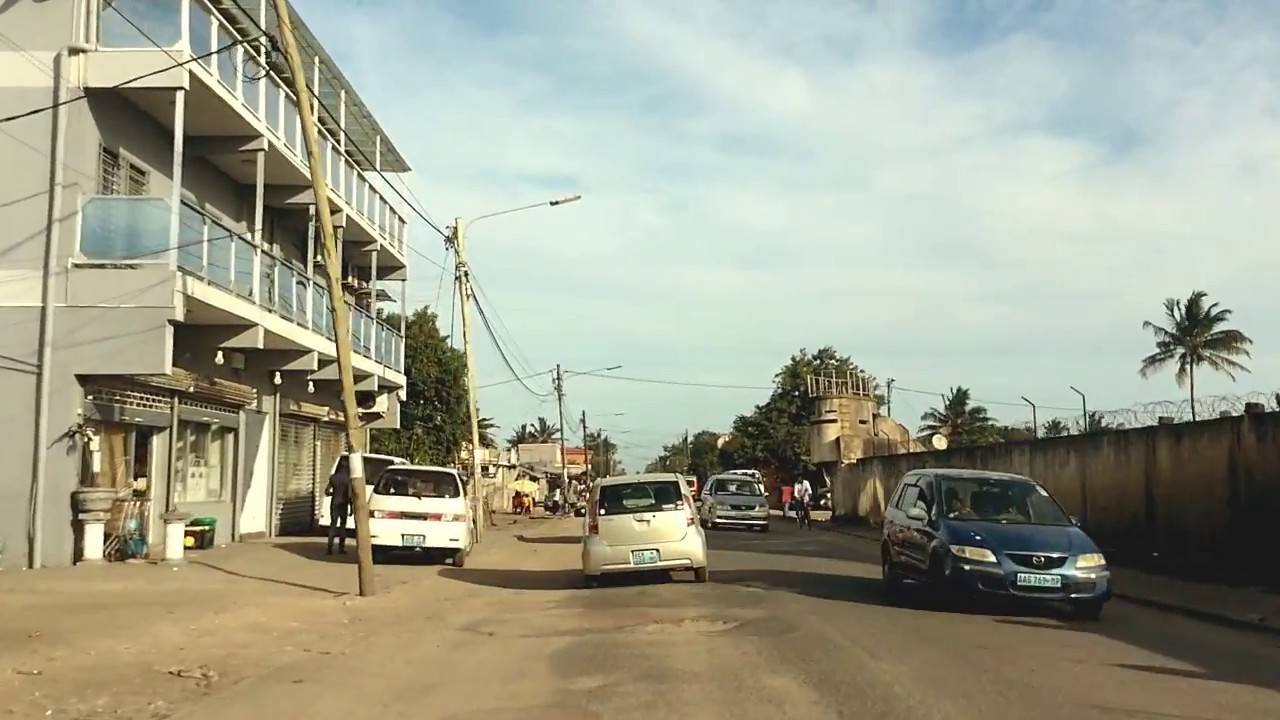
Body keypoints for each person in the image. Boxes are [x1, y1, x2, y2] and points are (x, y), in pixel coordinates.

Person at [324, 471, 353, 555]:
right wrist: (351, 507)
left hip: (334, 503)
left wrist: (333, 494)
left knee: (333, 524)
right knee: (343, 525)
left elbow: (327, 491)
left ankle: (329, 548)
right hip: (343, 504)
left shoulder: (333, 478)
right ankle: (341, 548)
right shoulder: (348, 479)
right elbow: (349, 495)